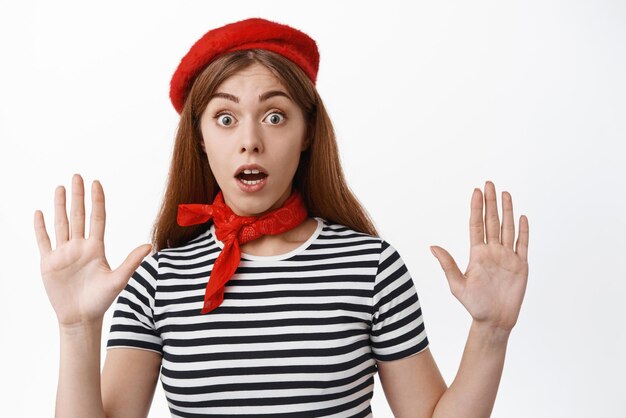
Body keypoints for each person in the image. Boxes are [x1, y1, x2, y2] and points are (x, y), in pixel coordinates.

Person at [33, 17, 530, 418]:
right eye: (225, 118)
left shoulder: (371, 268)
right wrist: (77, 328)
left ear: (308, 132)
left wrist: (491, 332)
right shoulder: (157, 282)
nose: (250, 139)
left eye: (275, 115)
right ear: (200, 139)